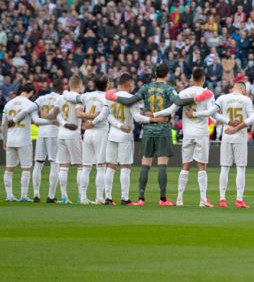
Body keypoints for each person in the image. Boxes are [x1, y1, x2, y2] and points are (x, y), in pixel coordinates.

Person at [107, 64, 209, 206]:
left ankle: (141, 198)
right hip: (162, 129)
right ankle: (162, 199)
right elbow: (178, 102)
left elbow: (130, 101)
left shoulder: (145, 88)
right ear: (166, 74)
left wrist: (114, 97)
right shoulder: (168, 89)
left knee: (145, 163)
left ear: (155, 73)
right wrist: (197, 98)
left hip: (148, 129)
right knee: (162, 164)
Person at [151, 68, 217, 207]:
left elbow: (171, 110)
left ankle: (180, 199)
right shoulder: (208, 93)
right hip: (201, 132)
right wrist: (196, 114)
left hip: (188, 133)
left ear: (192, 78)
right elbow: (211, 112)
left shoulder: (184, 92)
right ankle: (203, 200)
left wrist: (155, 114)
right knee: (201, 165)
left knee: (185, 165)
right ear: (203, 79)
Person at [102, 73, 167, 205]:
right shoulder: (132, 98)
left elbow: (107, 116)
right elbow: (137, 118)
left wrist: (118, 125)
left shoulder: (110, 96)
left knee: (111, 166)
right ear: (129, 84)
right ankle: (125, 198)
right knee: (125, 166)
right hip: (125, 135)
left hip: (112, 134)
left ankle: (108, 197)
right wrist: (153, 119)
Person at [2, 83, 53, 202]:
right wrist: (51, 122)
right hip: (24, 140)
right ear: (31, 92)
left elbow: (4, 125)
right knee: (26, 168)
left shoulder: (9, 103)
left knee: (9, 169)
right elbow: (36, 120)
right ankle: (23, 195)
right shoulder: (30, 104)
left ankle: (9, 195)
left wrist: (5, 140)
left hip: (11, 139)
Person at [210, 81, 254, 208]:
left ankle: (222, 199)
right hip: (240, 136)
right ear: (244, 90)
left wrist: (228, 122)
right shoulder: (246, 99)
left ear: (233, 88)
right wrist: (237, 127)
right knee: (240, 168)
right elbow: (252, 119)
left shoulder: (223, 98)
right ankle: (239, 200)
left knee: (224, 167)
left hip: (226, 134)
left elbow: (212, 113)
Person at [53, 75, 88, 204]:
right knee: (81, 165)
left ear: (69, 84)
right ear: (79, 85)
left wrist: (64, 123)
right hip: (73, 134)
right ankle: (80, 196)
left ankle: (63, 197)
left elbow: (55, 114)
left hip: (61, 134)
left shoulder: (61, 97)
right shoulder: (78, 99)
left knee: (63, 165)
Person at [77, 75, 109, 205]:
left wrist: (88, 121)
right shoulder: (107, 97)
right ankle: (99, 197)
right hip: (100, 131)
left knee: (86, 166)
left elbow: (76, 106)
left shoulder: (86, 95)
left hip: (88, 133)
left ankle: (83, 197)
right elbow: (103, 115)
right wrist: (93, 122)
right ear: (106, 84)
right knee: (100, 166)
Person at [31, 80, 64, 203]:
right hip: (54, 133)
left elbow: (34, 115)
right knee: (54, 164)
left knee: (38, 163)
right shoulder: (61, 99)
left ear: (51, 87)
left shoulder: (41, 99)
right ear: (61, 88)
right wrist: (53, 121)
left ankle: (36, 195)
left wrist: (43, 118)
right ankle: (51, 196)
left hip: (41, 133)